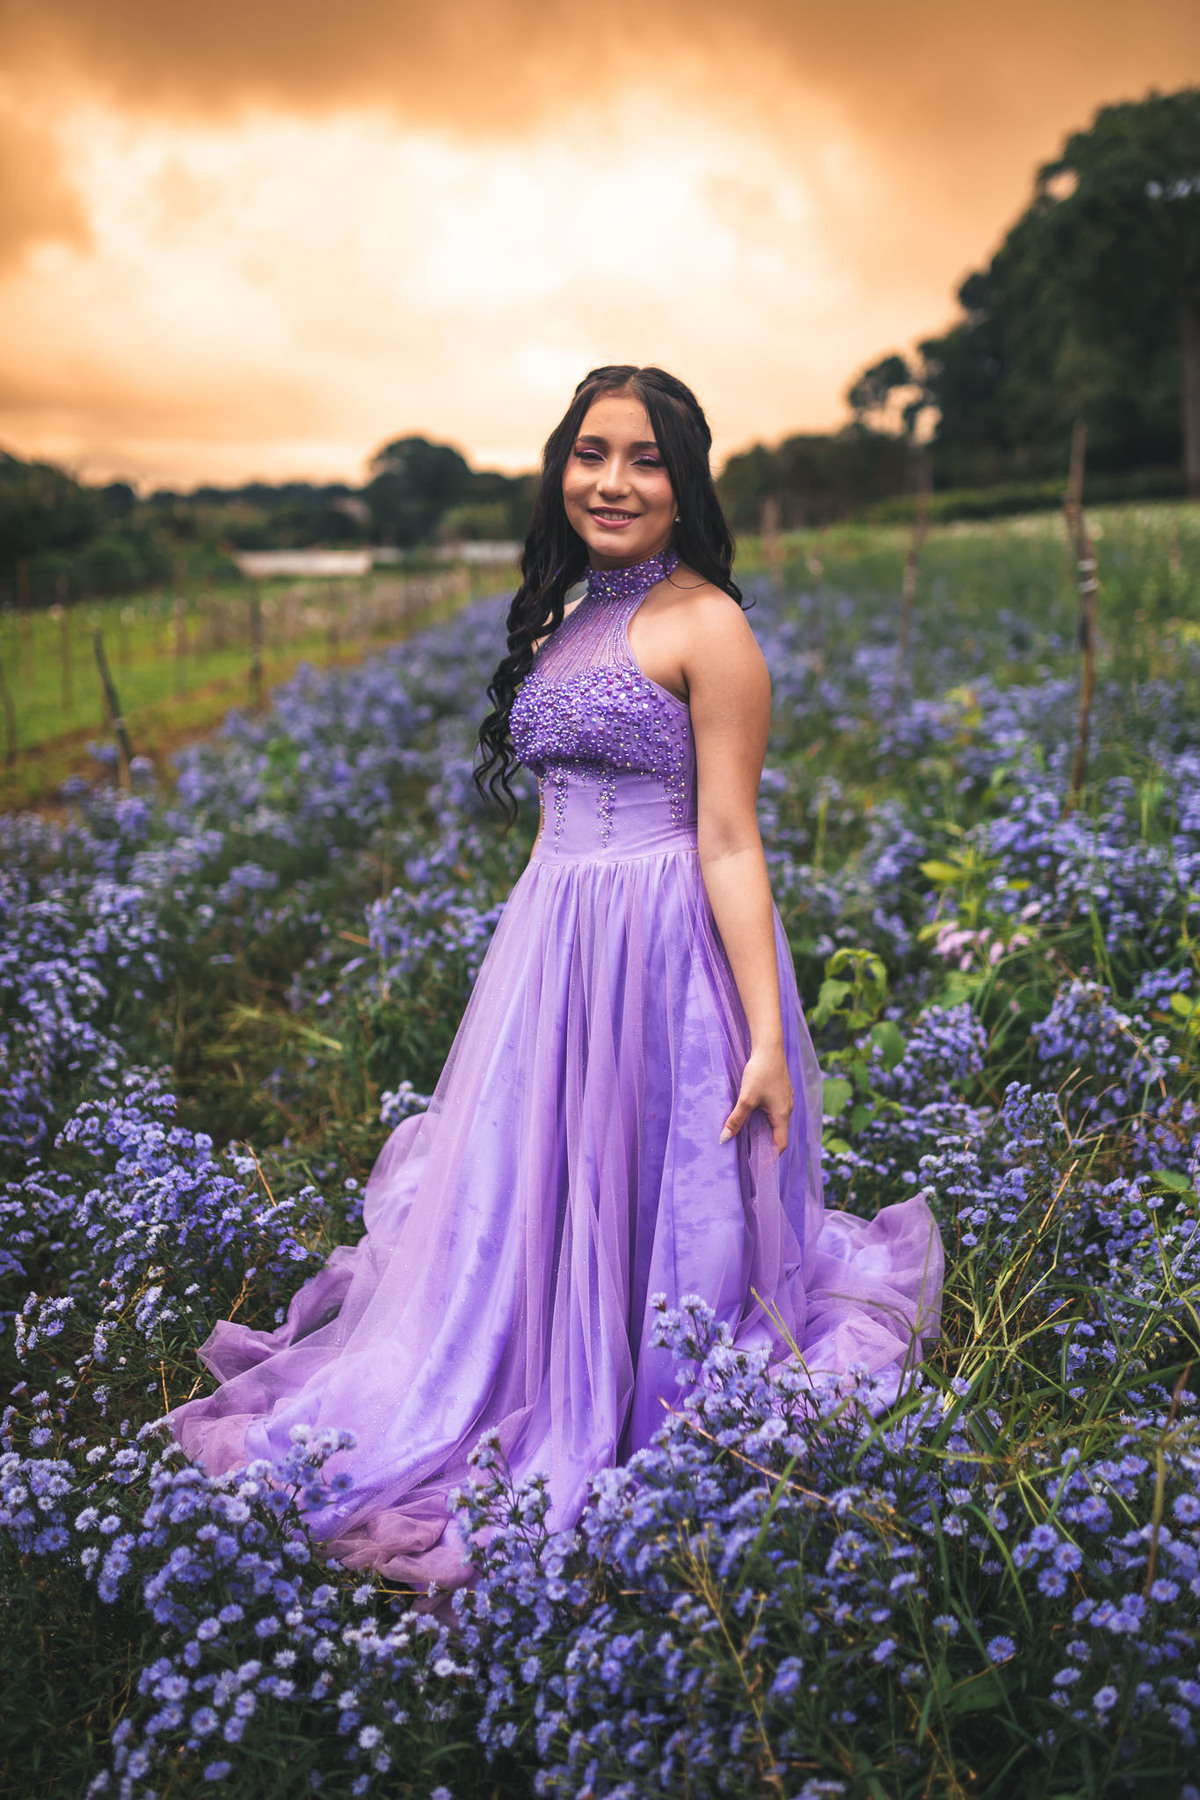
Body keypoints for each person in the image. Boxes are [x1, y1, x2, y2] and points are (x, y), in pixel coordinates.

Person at [170, 365, 942, 1588]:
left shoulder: (711, 627)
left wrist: (765, 1036)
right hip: (556, 936)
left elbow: (731, 842)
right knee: (527, 1199)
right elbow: (549, 824)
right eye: (592, 453)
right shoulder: (554, 621)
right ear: (562, 468)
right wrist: (523, 968)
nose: (614, 481)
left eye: (644, 459)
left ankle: (635, 1403)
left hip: (666, 943)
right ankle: (514, 1378)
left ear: (684, 487)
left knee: (657, 1200)